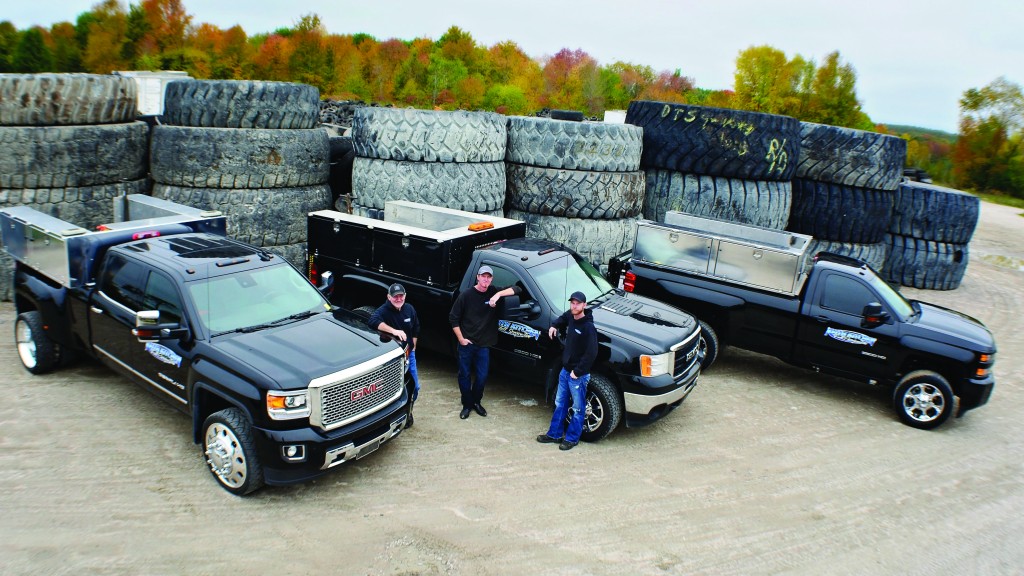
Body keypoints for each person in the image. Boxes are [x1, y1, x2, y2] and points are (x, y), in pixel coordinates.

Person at [449, 265, 521, 419]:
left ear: (491, 279)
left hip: (484, 345)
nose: (486, 279)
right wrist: (461, 339)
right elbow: (453, 318)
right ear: (478, 277)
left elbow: (518, 289)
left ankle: (476, 402)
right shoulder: (466, 295)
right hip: (466, 344)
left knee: (482, 377)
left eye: (489, 277)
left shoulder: (493, 291)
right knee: (464, 375)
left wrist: (498, 295)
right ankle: (467, 404)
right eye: (483, 276)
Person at [536, 290, 598, 451]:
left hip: (577, 375)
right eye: (572, 302)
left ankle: (572, 438)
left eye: (578, 303)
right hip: (565, 372)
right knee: (560, 403)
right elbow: (563, 317)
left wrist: (577, 372)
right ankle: (554, 434)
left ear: (584, 305)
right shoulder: (571, 316)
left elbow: (591, 353)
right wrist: (554, 325)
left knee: (578, 408)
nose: (574, 305)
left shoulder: (588, 327)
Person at [368, 283, 420, 426]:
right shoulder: (384, 311)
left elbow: (416, 327)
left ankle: (409, 411)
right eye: (395, 296)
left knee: (415, 387)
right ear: (389, 297)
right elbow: (372, 321)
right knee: (392, 389)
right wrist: (393, 331)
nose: (398, 299)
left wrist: (414, 345)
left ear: (405, 296)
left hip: (409, 356)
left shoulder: (409, 309)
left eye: (401, 296)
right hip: (393, 360)